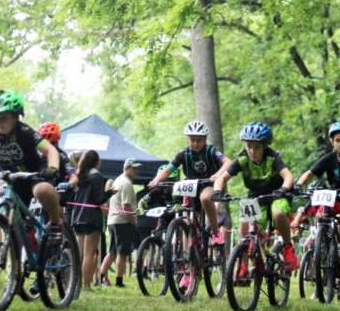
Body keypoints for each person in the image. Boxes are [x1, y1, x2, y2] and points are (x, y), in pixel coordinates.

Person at [0, 90, 64, 243]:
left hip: (35, 172)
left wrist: (53, 169)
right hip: (13, 177)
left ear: (16, 117)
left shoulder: (25, 132)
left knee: (41, 190)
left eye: (4, 117)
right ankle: (15, 264)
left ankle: (56, 223)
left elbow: (50, 150)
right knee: (14, 224)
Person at [292, 122, 340, 296]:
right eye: (337, 140)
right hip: (333, 198)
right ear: (332, 142)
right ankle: (323, 239)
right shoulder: (328, 159)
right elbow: (309, 173)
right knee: (320, 213)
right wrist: (298, 184)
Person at [212, 122, 299, 272]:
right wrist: (218, 191)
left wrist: (284, 189)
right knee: (244, 225)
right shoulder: (242, 159)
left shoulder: (273, 158)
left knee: (278, 213)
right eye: (249, 146)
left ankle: (288, 248)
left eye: (257, 147)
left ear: (265, 146)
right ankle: (243, 267)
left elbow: (288, 176)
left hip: (277, 194)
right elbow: (221, 178)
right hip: (256, 197)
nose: (252, 151)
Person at [148, 121, 231, 246]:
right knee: (188, 219)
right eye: (192, 140)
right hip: (192, 185)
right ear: (188, 140)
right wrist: (156, 180)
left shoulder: (210, 150)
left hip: (208, 183)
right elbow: (168, 169)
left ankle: (215, 231)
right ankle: (188, 252)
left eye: (199, 140)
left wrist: (217, 175)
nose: (195, 144)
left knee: (205, 198)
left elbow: (228, 162)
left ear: (205, 140)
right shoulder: (184, 153)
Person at [70, 150, 117, 291]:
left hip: (77, 218)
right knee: (89, 254)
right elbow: (99, 199)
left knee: (80, 254)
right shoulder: (97, 177)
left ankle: (75, 283)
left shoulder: (78, 176)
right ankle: (86, 286)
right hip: (91, 219)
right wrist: (110, 192)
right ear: (97, 162)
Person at [99, 158, 140, 288]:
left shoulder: (117, 180)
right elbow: (126, 206)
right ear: (126, 168)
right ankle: (119, 281)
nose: (137, 171)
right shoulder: (126, 183)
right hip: (122, 221)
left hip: (112, 220)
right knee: (122, 253)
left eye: (138, 169)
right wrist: (132, 221)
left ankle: (99, 278)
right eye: (134, 169)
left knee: (112, 252)